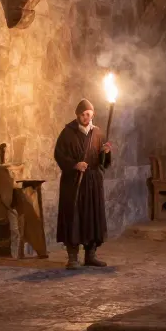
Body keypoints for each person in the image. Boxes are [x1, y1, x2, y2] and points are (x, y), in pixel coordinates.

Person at [54, 99, 111, 267]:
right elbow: (59, 155)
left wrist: (106, 152)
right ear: (77, 115)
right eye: (83, 114)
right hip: (73, 182)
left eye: (89, 114)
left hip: (93, 182)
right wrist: (74, 165)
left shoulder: (98, 133)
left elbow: (103, 162)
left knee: (92, 217)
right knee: (73, 216)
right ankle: (72, 258)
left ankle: (90, 255)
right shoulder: (67, 133)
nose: (86, 117)